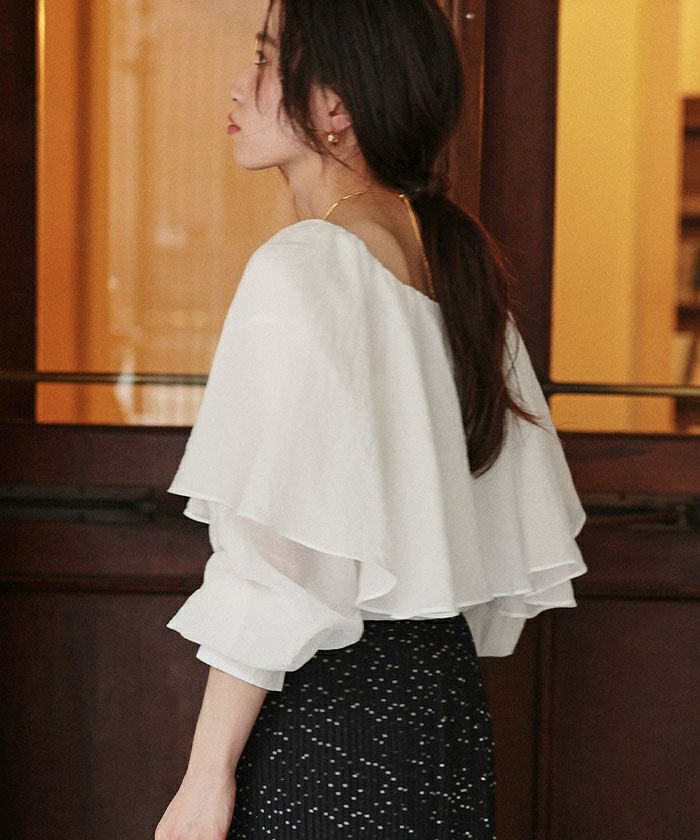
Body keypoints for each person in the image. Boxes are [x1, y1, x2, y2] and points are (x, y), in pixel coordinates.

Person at [155, 1, 588, 838]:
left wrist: (205, 779)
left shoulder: (307, 265)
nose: (239, 84)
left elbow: (279, 563)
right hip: (441, 709)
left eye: (267, 58)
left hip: (330, 716)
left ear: (336, 104)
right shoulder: (448, 261)